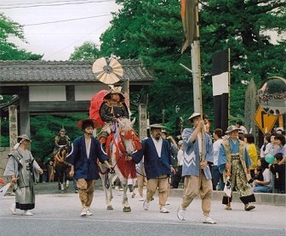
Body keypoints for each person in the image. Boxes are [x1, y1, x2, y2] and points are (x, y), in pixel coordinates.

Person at [66, 118, 113, 217]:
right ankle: (83, 206)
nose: (90, 130)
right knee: (82, 187)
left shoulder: (96, 142)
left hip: (92, 167)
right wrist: (72, 169)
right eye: (88, 129)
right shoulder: (77, 141)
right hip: (80, 167)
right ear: (84, 129)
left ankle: (87, 207)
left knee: (90, 189)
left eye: (91, 129)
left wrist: (108, 165)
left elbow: (101, 155)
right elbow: (73, 155)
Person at [176, 113, 216, 224]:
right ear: (193, 122)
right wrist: (198, 128)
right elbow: (188, 142)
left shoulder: (207, 137)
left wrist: (207, 161)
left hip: (204, 167)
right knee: (192, 191)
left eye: (201, 119)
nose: (200, 121)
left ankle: (206, 214)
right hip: (192, 165)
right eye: (197, 119)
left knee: (208, 190)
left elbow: (210, 152)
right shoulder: (187, 132)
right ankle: (183, 206)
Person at [129, 123, 175, 213]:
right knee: (151, 189)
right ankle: (148, 199)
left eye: (159, 130)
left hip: (164, 167)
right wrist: (132, 157)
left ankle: (162, 206)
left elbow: (169, 155)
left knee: (164, 189)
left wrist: (171, 165)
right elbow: (139, 153)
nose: (158, 132)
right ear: (152, 131)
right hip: (152, 168)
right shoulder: (146, 142)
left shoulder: (165, 143)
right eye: (156, 130)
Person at [218, 125, 256, 211]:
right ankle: (228, 203)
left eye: (236, 132)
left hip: (240, 164)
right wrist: (224, 163)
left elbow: (245, 155)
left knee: (242, 183)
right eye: (233, 132)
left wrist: (247, 167)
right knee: (229, 184)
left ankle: (247, 203)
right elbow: (222, 154)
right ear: (229, 134)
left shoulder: (242, 144)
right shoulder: (224, 144)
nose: (235, 134)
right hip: (229, 165)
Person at [3, 134, 43, 216]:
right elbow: (11, 165)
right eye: (27, 141)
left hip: (28, 173)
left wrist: (38, 168)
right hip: (21, 174)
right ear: (22, 141)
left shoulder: (28, 152)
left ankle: (14, 206)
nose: (28, 142)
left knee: (27, 191)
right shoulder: (15, 153)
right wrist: (13, 176)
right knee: (22, 191)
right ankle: (25, 209)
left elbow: (33, 161)